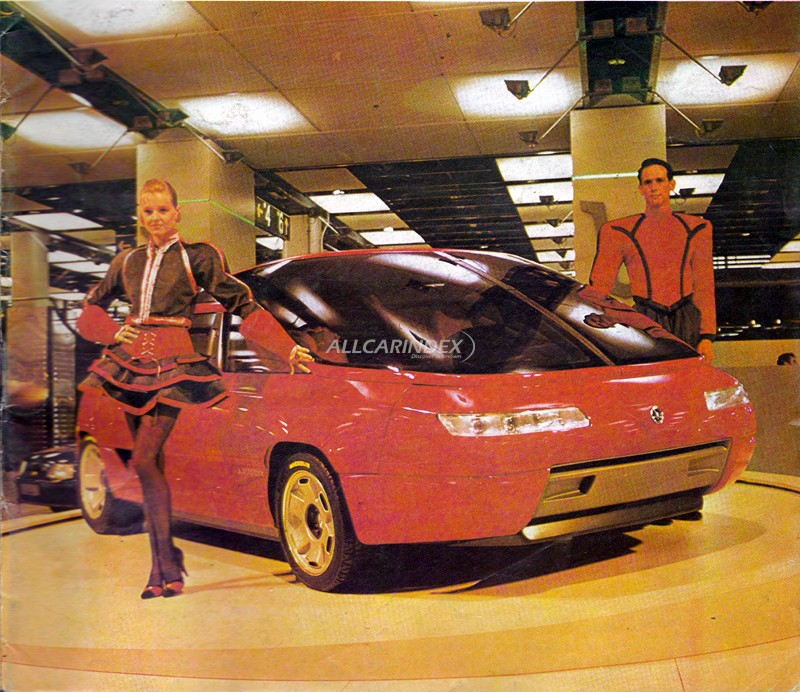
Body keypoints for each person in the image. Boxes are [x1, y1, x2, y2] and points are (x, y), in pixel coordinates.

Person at [76, 179, 312, 600]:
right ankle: (163, 563)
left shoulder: (197, 256)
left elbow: (241, 303)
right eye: (148, 211)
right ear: (140, 215)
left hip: (173, 364)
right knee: (149, 465)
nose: (155, 218)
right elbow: (92, 305)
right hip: (129, 365)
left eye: (163, 210)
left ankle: (164, 562)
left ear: (177, 212)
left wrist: (286, 347)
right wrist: (112, 332)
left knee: (144, 459)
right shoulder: (127, 261)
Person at [589, 157, 717, 362]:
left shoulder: (697, 228)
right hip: (644, 318)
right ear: (641, 189)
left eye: (660, 180)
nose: (654, 187)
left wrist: (707, 336)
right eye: (648, 182)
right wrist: (601, 325)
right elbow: (600, 285)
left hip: (686, 319)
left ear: (671, 184)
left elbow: (704, 284)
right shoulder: (618, 231)